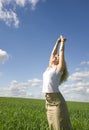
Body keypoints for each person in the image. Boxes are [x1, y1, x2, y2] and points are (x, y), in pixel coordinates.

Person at [42, 35, 72, 130]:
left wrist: (62, 42)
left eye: (57, 57)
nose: (55, 56)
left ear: (60, 61)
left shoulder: (58, 69)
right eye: (55, 56)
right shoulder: (49, 67)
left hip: (56, 102)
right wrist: (57, 42)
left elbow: (61, 52)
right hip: (47, 101)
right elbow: (53, 53)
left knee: (60, 126)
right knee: (52, 126)